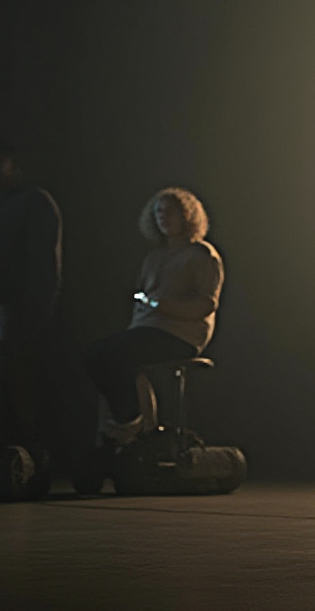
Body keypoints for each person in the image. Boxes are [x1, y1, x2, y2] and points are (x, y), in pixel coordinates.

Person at [86, 188, 224, 446]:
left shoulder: (201, 255)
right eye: (158, 212)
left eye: (170, 211)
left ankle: (129, 423)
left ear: (187, 215)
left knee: (112, 355)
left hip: (180, 335)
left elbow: (205, 305)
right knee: (97, 355)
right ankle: (139, 424)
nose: (163, 217)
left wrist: (163, 306)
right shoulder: (154, 257)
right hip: (145, 329)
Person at [0, 143, 63, 448]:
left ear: (16, 165)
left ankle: (16, 447)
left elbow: (44, 263)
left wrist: (36, 309)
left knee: (9, 378)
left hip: (14, 307)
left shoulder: (35, 202)